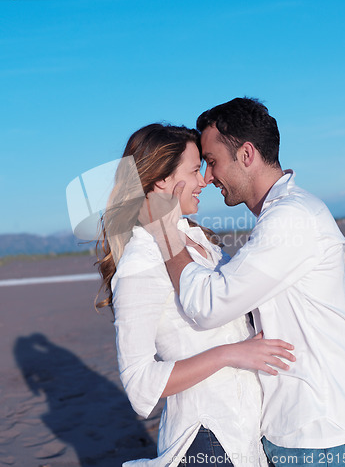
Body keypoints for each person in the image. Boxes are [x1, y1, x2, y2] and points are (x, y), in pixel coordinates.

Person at [140, 100, 345, 466]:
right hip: (302, 434)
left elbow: (209, 305)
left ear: (246, 154)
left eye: (213, 161)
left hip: (326, 438)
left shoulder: (292, 220)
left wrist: (163, 232)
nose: (208, 176)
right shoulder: (283, 218)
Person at [95, 123, 295, 467]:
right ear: (162, 181)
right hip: (207, 441)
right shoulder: (141, 261)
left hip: (248, 434)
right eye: (194, 170)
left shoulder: (202, 242)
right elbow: (140, 386)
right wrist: (230, 354)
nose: (205, 181)